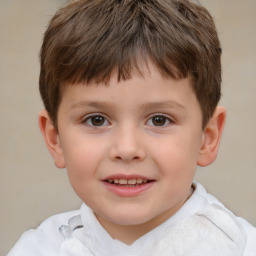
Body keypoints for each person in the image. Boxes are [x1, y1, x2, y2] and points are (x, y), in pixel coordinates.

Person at [7, 0, 256, 255]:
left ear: (207, 137)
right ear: (55, 138)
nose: (127, 149)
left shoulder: (245, 248)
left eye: (159, 120)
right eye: (97, 120)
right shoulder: (36, 250)